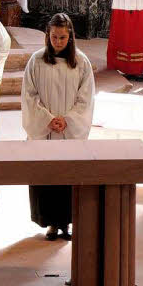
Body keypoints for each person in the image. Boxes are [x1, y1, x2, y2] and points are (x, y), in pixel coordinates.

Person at [22, 13, 94, 240]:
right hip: (46, 131)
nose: (58, 42)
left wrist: (68, 120)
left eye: (63, 38)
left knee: (67, 175)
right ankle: (51, 223)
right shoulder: (36, 61)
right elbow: (29, 95)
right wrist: (46, 119)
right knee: (47, 175)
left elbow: (86, 98)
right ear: (48, 35)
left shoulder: (81, 62)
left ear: (70, 36)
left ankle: (66, 222)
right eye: (54, 37)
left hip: (68, 131)